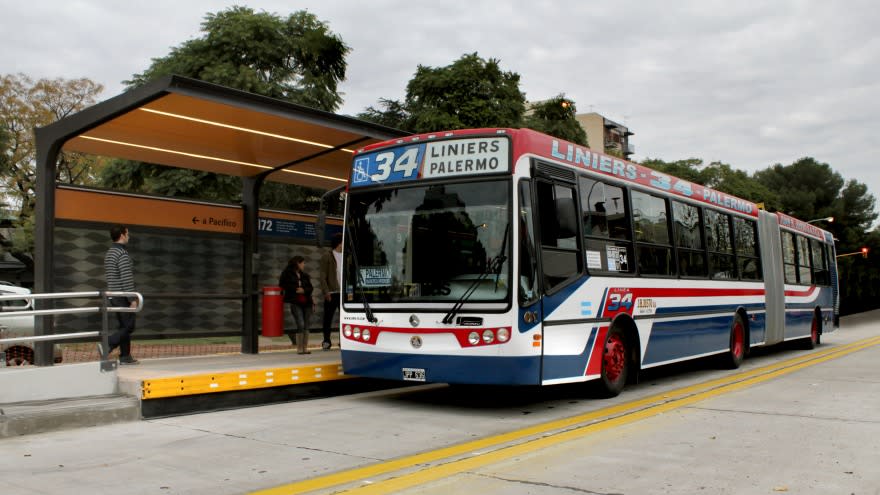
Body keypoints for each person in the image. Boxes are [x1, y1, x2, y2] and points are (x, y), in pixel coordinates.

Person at [103, 225, 139, 365]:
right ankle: (109, 344)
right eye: (127, 233)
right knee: (129, 326)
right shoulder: (122, 254)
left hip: (113, 295)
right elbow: (126, 278)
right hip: (123, 296)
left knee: (124, 326)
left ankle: (125, 356)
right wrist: (132, 299)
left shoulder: (110, 252)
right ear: (122, 235)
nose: (129, 236)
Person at [279, 255, 315, 354]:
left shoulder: (304, 275)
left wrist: (304, 290)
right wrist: (295, 289)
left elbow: (311, 288)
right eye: (303, 263)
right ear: (298, 263)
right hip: (295, 302)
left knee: (306, 325)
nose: (304, 265)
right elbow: (282, 285)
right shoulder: (287, 273)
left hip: (307, 302)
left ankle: (305, 348)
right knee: (301, 323)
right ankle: (299, 348)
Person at [318, 233, 343, 350]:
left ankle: (343, 341)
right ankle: (326, 341)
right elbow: (322, 276)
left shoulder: (346, 256)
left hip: (344, 293)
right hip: (332, 293)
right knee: (328, 318)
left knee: (344, 319)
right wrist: (326, 291)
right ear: (339, 243)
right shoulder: (327, 256)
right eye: (343, 242)